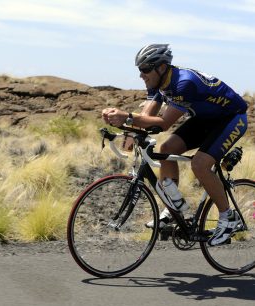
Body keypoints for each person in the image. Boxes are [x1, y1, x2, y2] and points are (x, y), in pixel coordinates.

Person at [102, 44, 248, 246]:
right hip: (204, 120)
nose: (141, 75)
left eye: (145, 69)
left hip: (231, 118)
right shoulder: (157, 81)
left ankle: (228, 217)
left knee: (200, 164)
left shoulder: (184, 84)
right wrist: (128, 129)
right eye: (139, 69)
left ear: (161, 67)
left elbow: (163, 123)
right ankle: (174, 209)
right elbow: (146, 116)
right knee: (166, 149)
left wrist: (126, 116)